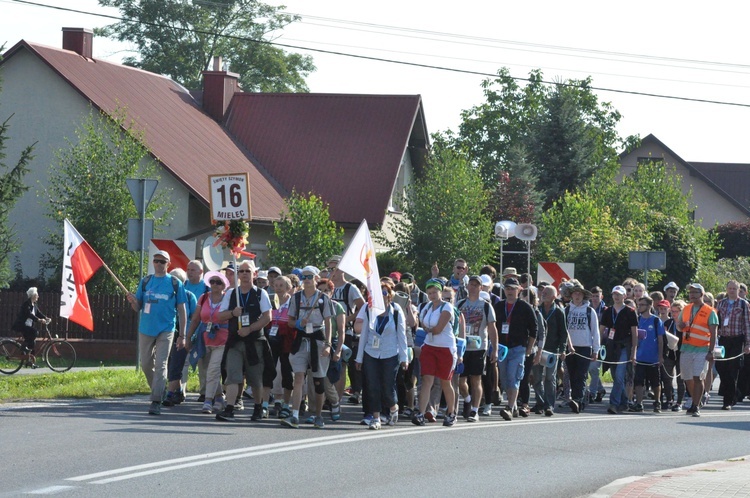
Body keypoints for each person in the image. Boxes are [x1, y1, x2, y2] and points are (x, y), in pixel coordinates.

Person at [126, 250, 188, 416]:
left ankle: (155, 400)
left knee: (161, 364)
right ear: (153, 262)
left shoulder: (175, 283)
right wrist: (133, 301)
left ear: (168, 264)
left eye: (162, 261)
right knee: (146, 364)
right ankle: (160, 388)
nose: (159, 264)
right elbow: (138, 307)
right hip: (146, 329)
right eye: (156, 261)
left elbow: (182, 309)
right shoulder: (146, 281)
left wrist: (182, 335)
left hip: (166, 329)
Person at [215, 260, 273, 422]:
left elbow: (267, 317)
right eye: (241, 271)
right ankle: (229, 408)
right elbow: (220, 316)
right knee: (233, 375)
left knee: (255, 377)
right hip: (235, 341)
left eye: (248, 271)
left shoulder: (261, 293)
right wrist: (233, 313)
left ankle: (257, 407)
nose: (245, 274)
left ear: (254, 274)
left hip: (254, 341)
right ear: (238, 275)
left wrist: (250, 328)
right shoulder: (231, 293)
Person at [282, 266, 334, 429]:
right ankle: (295, 415)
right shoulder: (296, 298)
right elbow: (289, 321)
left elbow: (328, 323)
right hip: (301, 341)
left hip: (318, 341)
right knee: (298, 377)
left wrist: (328, 345)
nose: (306, 280)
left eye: (309, 276)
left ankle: (318, 415)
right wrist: (298, 323)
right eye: (303, 277)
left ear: (316, 278)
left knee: (318, 381)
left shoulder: (324, 299)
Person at [355, 281, 409, 430]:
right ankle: (376, 418)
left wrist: (404, 358)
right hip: (371, 352)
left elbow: (402, 336)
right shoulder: (368, 308)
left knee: (387, 387)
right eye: (378, 293)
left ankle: (393, 407)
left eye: (384, 293)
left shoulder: (396, 311)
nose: (381, 296)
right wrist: (359, 358)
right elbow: (364, 334)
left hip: (390, 353)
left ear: (389, 295)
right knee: (372, 386)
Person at [184, 270, 230, 414]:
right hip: (204, 339)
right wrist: (188, 337)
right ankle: (219, 398)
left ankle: (208, 401)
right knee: (206, 371)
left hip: (222, 339)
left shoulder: (228, 299)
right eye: (212, 281)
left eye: (218, 282)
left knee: (213, 370)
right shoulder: (203, 298)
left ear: (224, 286)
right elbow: (196, 319)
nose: (215, 285)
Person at [413, 279, 458, 427]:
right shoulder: (426, 308)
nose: (432, 295)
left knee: (445, 381)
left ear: (440, 291)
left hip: (445, 348)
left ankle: (451, 412)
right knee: (427, 380)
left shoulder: (447, 307)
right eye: (430, 293)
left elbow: (438, 329)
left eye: (435, 292)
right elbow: (421, 325)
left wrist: (428, 329)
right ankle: (420, 412)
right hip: (430, 346)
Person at [493, 277, 537, 421]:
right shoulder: (499, 306)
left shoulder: (525, 307)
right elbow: (492, 327)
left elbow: (534, 330)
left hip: (518, 348)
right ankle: (514, 406)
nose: (510, 291)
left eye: (513, 288)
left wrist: (529, 349)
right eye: (507, 288)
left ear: (519, 290)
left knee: (514, 377)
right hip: (501, 349)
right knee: (505, 379)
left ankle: (510, 407)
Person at [456, 275, 498, 422]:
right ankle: (467, 399)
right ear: (467, 287)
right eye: (471, 284)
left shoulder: (486, 306)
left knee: (476, 379)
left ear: (481, 288)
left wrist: (495, 349)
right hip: (462, 347)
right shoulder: (460, 304)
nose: (473, 287)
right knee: (460, 381)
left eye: (476, 285)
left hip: (479, 348)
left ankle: (475, 410)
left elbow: (492, 329)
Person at [675, 283, 718, 417]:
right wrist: (680, 326)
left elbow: (713, 333)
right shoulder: (686, 309)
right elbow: (679, 326)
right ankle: (696, 401)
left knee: (698, 377)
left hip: (702, 349)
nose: (692, 295)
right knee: (687, 378)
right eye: (690, 292)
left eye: (695, 292)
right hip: (686, 348)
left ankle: (695, 405)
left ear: (702, 294)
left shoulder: (710, 311)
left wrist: (711, 352)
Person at [600, 285, 638, 414]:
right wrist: (598, 347)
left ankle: (614, 404)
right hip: (611, 347)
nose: (616, 296)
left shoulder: (630, 311)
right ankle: (625, 402)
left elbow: (634, 333)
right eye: (614, 294)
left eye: (619, 294)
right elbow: (601, 330)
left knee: (619, 376)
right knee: (616, 376)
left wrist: (634, 352)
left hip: (624, 346)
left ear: (624, 296)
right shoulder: (607, 311)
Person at [563, 281, 599, 413]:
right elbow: (563, 330)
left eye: (579, 294)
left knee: (581, 375)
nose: (577, 296)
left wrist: (596, 350)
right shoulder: (566, 310)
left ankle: (578, 400)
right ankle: (576, 398)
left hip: (585, 347)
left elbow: (595, 331)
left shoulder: (590, 311)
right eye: (575, 293)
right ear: (571, 295)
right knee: (571, 375)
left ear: (583, 296)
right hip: (570, 347)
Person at [163, 268, 197, 407]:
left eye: (175, 281)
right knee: (169, 364)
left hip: (183, 334)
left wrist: (188, 336)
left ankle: (170, 394)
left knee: (176, 364)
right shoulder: (167, 296)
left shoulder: (189, 297)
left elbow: (195, 318)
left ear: (182, 283)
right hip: (166, 332)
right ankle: (178, 391)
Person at [714, 280, 750, 410]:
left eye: (734, 288)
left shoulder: (743, 304)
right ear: (727, 289)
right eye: (730, 288)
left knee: (733, 370)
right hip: (723, 339)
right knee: (721, 367)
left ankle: (727, 401)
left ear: (738, 290)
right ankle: (735, 392)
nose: (732, 291)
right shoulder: (721, 303)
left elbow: (746, 324)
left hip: (737, 339)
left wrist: (747, 343)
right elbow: (716, 322)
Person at [535, 285, 568, 416]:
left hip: (552, 350)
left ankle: (549, 405)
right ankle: (540, 403)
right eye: (543, 292)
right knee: (537, 377)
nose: (544, 294)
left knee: (550, 378)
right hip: (538, 348)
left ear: (554, 297)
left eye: (547, 293)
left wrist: (562, 349)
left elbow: (563, 333)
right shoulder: (537, 310)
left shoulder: (559, 311)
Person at [632, 296, 665, 412]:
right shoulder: (637, 319)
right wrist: (634, 354)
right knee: (639, 381)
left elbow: (660, 340)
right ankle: (639, 403)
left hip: (653, 357)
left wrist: (660, 356)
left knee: (655, 381)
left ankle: (657, 402)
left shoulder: (656, 321)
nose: (639, 307)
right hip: (640, 356)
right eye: (639, 305)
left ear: (649, 306)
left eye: (642, 305)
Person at [12, 287, 51, 366]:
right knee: (35, 332)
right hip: (21, 325)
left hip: (27, 326)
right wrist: (39, 320)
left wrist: (46, 318)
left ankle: (30, 362)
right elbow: (29, 314)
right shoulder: (26, 304)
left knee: (33, 342)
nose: (38, 296)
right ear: (33, 295)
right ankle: (23, 348)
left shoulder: (34, 304)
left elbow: (38, 313)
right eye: (37, 294)